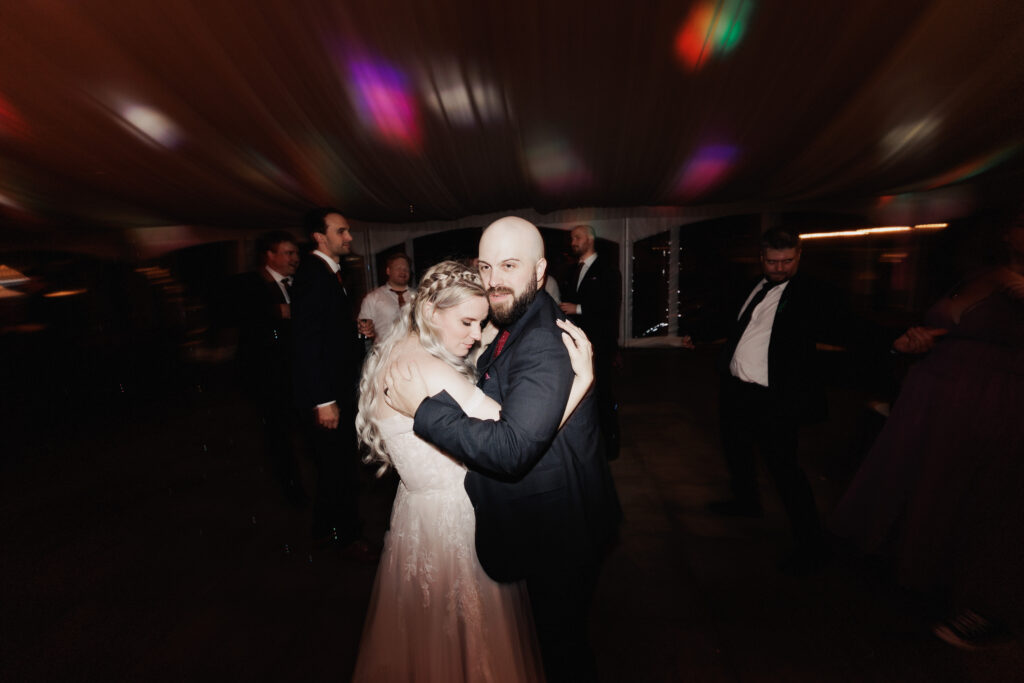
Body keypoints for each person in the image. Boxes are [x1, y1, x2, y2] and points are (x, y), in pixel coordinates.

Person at [385, 217, 622, 682]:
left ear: (539, 271)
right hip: (543, 516)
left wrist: (424, 411)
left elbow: (513, 448)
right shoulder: (516, 319)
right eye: (486, 266)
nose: (493, 281)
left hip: (561, 527)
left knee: (562, 650)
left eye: (509, 266)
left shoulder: (544, 342)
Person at [832, 215, 1024, 645]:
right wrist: (914, 341)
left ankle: (977, 604)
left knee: (975, 495)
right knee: (925, 484)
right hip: (934, 396)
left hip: (988, 404)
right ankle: (920, 577)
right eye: (1016, 223)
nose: (1016, 232)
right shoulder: (976, 276)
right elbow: (949, 331)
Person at [693, 227, 829, 572]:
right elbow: (734, 322)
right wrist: (699, 334)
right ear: (761, 257)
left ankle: (811, 544)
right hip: (737, 388)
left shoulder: (811, 293)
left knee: (784, 469)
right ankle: (746, 501)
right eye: (773, 261)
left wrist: (895, 341)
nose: (780, 268)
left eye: (787, 261)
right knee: (736, 449)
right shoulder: (752, 285)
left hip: (775, 398)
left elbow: (845, 325)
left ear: (798, 257)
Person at [290, 207, 374, 561]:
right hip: (330, 392)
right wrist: (324, 400)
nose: (349, 237)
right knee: (339, 468)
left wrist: (356, 333)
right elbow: (305, 343)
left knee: (331, 467)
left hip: (336, 385)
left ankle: (325, 529)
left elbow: (327, 334)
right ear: (320, 237)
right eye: (341, 232)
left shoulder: (329, 273)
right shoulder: (313, 275)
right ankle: (347, 538)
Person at [235, 230, 306, 506]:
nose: (295, 258)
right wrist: (279, 312)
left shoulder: (297, 283)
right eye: (288, 253)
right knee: (279, 439)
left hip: (296, 375)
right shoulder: (250, 284)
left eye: (296, 253)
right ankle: (292, 491)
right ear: (270, 256)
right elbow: (245, 320)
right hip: (268, 379)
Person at [559, 224, 622, 459]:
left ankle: (610, 447)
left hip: (600, 345)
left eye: (577, 237)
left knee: (603, 394)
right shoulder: (574, 269)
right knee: (584, 396)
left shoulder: (607, 269)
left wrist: (579, 308)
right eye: (572, 238)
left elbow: (611, 305)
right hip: (578, 345)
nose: (573, 242)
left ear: (590, 239)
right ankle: (588, 445)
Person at [357, 252, 413, 343]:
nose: (403, 272)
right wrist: (366, 328)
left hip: (413, 352)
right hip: (384, 353)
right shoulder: (373, 298)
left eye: (406, 269)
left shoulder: (419, 297)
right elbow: (363, 330)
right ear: (388, 271)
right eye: (398, 268)